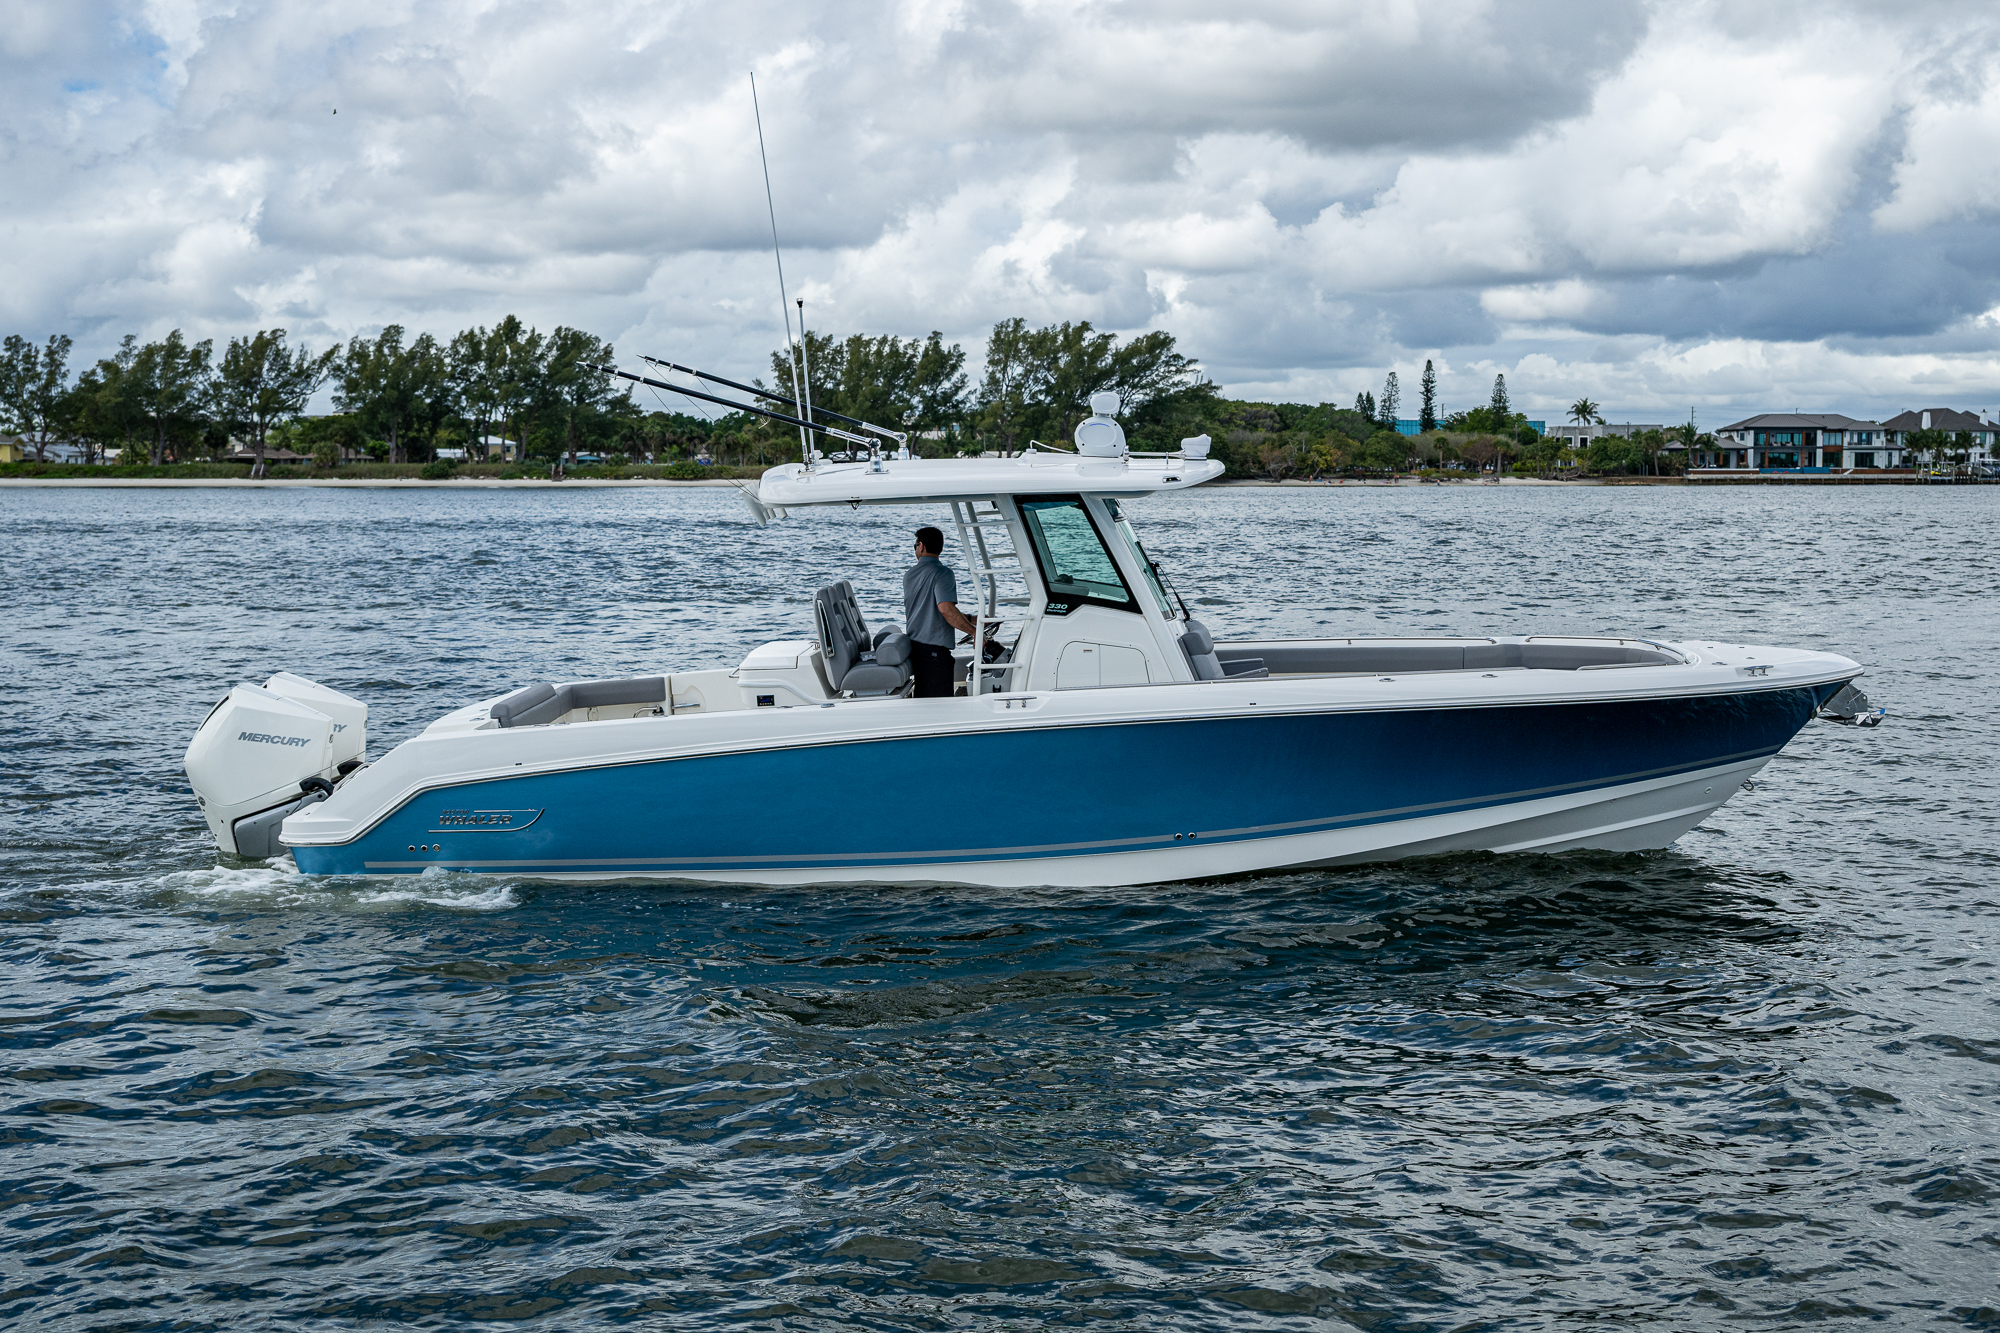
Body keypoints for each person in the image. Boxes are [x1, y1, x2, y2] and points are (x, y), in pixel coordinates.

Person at [904, 526, 976, 698]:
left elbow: (933, 610)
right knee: (939, 705)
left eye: (915, 546)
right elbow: (945, 609)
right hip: (934, 654)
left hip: (917, 649)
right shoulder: (942, 573)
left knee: (925, 700)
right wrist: (975, 632)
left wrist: (971, 619)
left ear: (921, 546)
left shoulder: (909, 575)